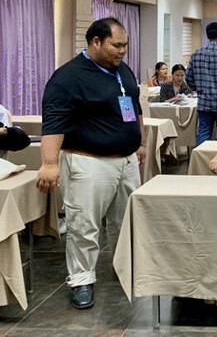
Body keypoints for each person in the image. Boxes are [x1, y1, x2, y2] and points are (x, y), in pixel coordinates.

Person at [36, 18, 146, 309]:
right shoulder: (68, 77)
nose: (122, 51)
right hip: (89, 162)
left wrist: (140, 143)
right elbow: (53, 122)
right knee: (84, 225)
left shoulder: (121, 69)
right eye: (116, 45)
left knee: (126, 221)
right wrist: (50, 163)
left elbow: (133, 107)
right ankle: (82, 279)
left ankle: (125, 267)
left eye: (125, 45)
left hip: (126, 162)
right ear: (95, 42)